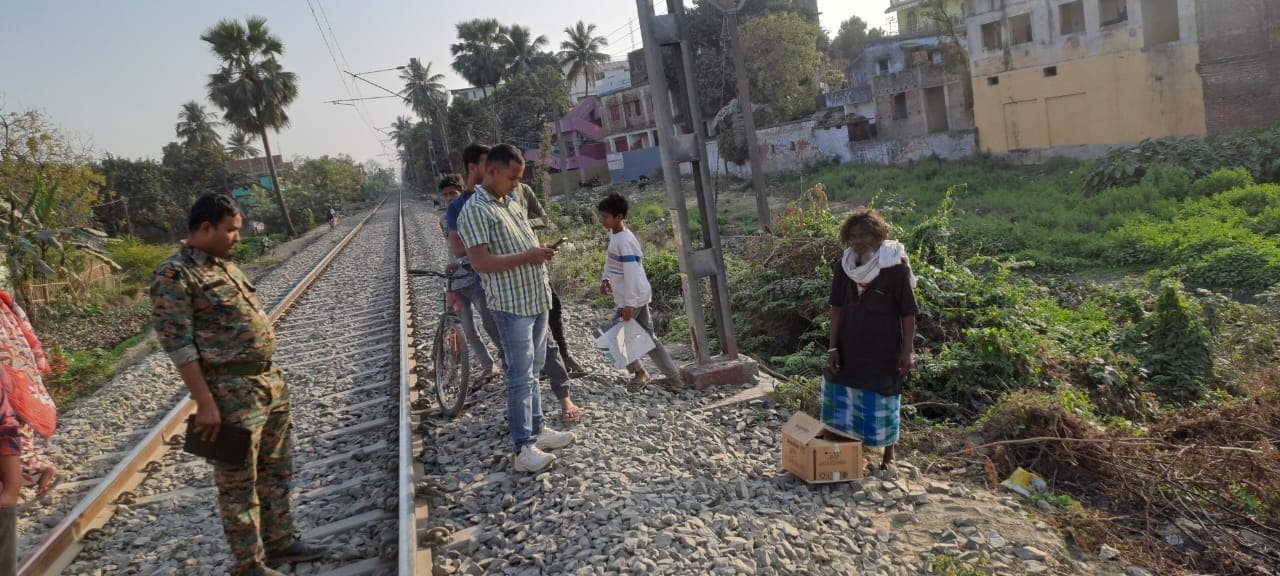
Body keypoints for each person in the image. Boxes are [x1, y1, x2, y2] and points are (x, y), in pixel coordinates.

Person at [151, 193, 326, 576]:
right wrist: (204, 402)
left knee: (276, 469)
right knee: (238, 484)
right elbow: (178, 344)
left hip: (266, 383)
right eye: (230, 230)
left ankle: (280, 542)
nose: (236, 237)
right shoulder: (175, 275)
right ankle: (249, 564)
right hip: (229, 394)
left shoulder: (223, 266)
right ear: (205, 228)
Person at [457, 144, 576, 473]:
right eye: (512, 177)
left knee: (533, 371)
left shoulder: (509, 201)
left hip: (535, 300)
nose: (516, 184)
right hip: (512, 307)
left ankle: (538, 430)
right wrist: (528, 256)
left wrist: (537, 251)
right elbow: (480, 263)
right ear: (491, 171)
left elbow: (520, 246)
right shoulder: (475, 211)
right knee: (520, 377)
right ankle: (523, 448)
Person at [822, 208, 917, 472]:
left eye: (863, 234)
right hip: (849, 344)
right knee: (846, 394)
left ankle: (889, 455)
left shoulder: (895, 268)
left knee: (885, 397)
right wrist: (833, 347)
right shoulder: (844, 267)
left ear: (877, 235)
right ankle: (852, 454)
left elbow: (908, 312)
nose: (857, 241)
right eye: (852, 236)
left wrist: (907, 351)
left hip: (884, 348)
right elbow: (837, 306)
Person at [0, 273, 60, 576]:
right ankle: (33, 471)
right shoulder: (6, 303)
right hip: (16, 385)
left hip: (10, 386)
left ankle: (30, 473)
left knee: (12, 433)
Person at [596, 193, 680, 386]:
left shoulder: (624, 241)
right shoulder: (615, 235)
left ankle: (640, 373)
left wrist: (629, 305)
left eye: (606, 216)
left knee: (611, 339)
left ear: (619, 217)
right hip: (636, 296)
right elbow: (612, 261)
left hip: (632, 298)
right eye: (602, 216)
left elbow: (632, 273)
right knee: (649, 338)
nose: (602, 220)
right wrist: (606, 278)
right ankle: (674, 378)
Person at [444, 145, 505, 381]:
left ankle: (510, 364)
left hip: (482, 276)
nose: (450, 197)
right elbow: (456, 248)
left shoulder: (494, 200)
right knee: (472, 328)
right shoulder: (453, 212)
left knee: (494, 325)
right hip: (463, 279)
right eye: (446, 194)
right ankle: (491, 364)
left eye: (452, 193)